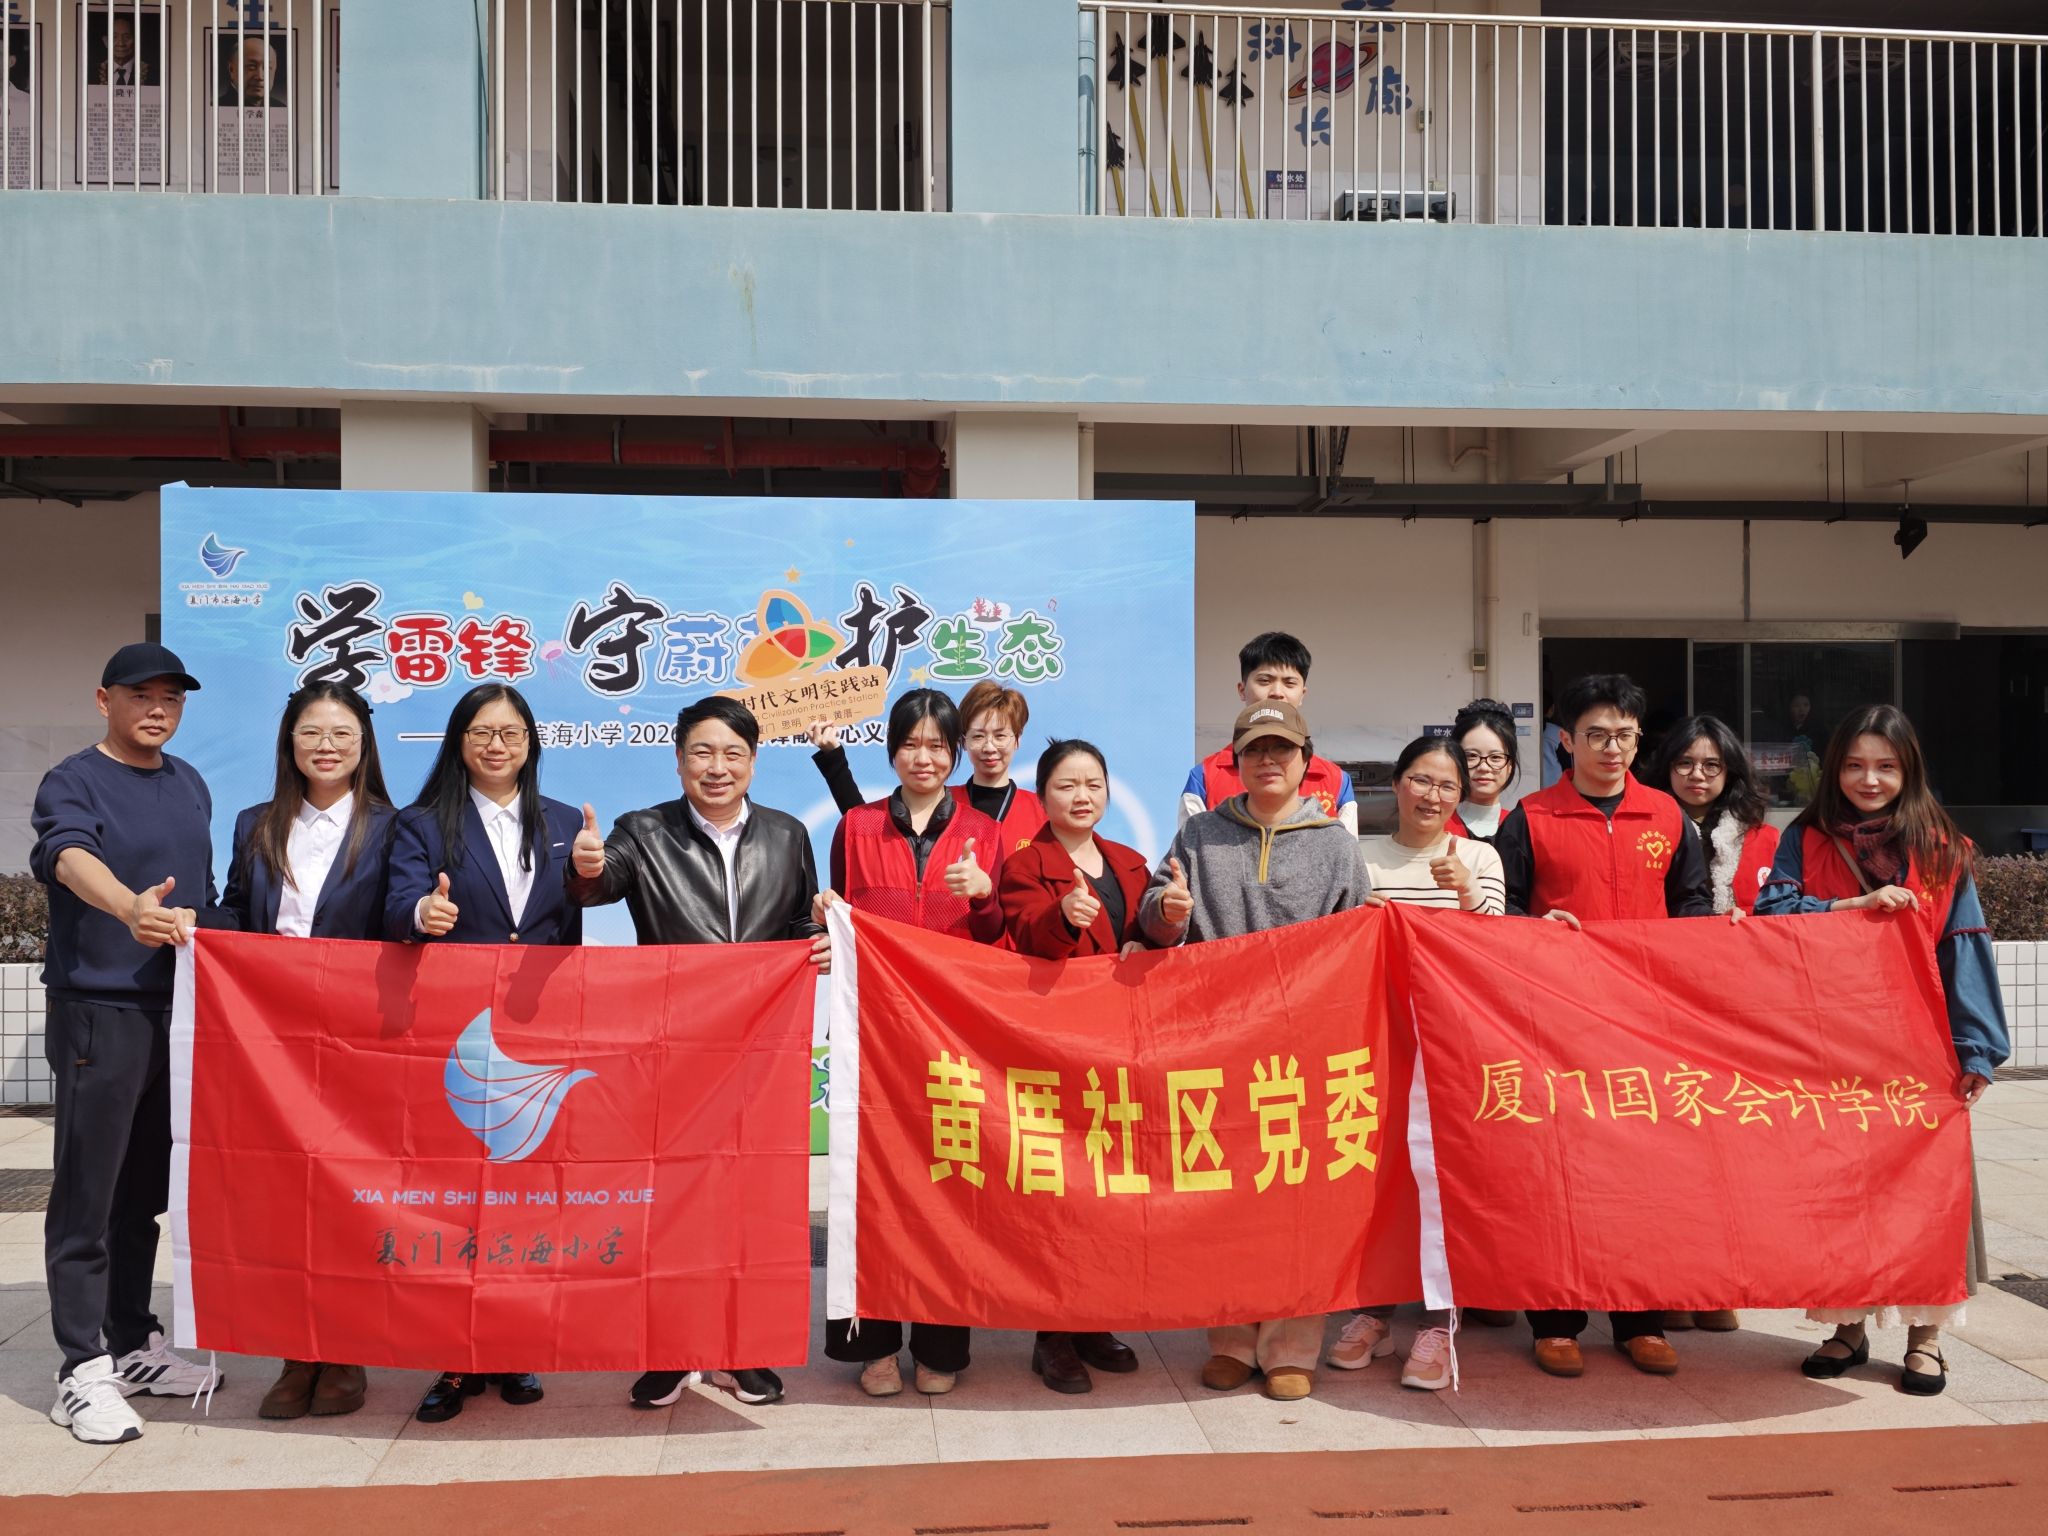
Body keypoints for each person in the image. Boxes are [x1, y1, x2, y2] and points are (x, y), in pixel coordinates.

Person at [567, 695, 829, 1411]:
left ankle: (742, 1351)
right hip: (674, 1050)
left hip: (761, 1052)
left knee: (751, 1206)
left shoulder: (787, 834)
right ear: (679, 759)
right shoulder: (644, 830)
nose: (717, 767)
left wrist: (821, 940)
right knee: (672, 1204)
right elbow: (600, 882)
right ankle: (669, 1352)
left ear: (753, 762)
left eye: (732, 753)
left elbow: (800, 922)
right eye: (702, 753)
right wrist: (586, 867)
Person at [1757, 703, 2008, 1396]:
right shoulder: (1805, 838)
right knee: (1844, 1192)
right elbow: (1771, 918)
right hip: (1833, 1047)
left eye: (1886, 767)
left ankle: (1927, 1339)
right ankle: (1847, 1326)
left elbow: (1964, 949)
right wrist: (1843, 910)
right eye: (1855, 765)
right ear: (1834, 769)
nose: (1869, 779)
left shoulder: (1943, 849)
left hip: (1922, 1050)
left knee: (1931, 1194)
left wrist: (1976, 1049)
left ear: (1909, 771)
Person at [1141, 699, 1371, 1402]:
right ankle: (1232, 1341)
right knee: (1224, 1199)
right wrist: (1167, 915)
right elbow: (1155, 916)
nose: (1268, 761)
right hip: (1217, 1043)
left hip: (1305, 1051)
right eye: (1254, 750)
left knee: (1299, 1202)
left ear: (1307, 761)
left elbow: (1359, 940)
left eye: (1282, 749)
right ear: (1234, 762)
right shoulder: (1200, 834)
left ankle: (1291, 1347)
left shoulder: (1335, 845)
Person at [1492, 673, 1717, 1379]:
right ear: (1566, 741)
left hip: (1646, 1027)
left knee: (1642, 1175)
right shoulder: (1530, 818)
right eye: (1595, 735)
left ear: (1638, 739)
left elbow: (1693, 908)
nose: (1611, 748)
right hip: (1557, 1026)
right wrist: (1539, 930)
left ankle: (1638, 1319)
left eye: (1623, 735)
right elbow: (1502, 914)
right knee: (1558, 1173)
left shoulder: (1668, 817)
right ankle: (1555, 1322)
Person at [30, 643, 223, 1445]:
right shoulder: (74, 779)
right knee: (89, 1197)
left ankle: (133, 1342)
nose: (157, 709)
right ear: (103, 699)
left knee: (142, 1194)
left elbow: (206, 897)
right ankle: (80, 1370)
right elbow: (66, 856)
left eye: (171, 698)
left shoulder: (190, 782)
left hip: (174, 1016)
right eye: (141, 695)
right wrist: (126, 907)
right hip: (99, 1013)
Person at [384, 683, 583, 1423]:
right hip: (457, 1033)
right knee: (455, 1199)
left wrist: (593, 874)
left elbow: (573, 922)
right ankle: (454, 1356)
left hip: (540, 1030)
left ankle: (514, 1345)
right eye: (481, 732)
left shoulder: (564, 822)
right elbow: (394, 905)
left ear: (531, 743)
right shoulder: (422, 822)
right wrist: (422, 912)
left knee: (525, 1198)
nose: (496, 746)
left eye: (510, 733)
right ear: (459, 742)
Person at [815, 689, 1005, 1396]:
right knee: (871, 1187)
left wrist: (984, 895)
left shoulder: (983, 831)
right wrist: (825, 915)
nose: (923, 758)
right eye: (910, 745)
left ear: (954, 753)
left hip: (953, 1033)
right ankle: (872, 1344)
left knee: (949, 1183)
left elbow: (996, 937)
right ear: (892, 750)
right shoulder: (858, 826)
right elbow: (842, 917)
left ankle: (940, 1347)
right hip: (875, 1033)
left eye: (937, 746)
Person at [221, 683, 396, 1420]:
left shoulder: (394, 827)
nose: (326, 746)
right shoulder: (255, 823)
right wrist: (192, 921)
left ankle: (346, 1350)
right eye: (311, 732)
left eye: (342, 733)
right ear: (289, 742)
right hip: (272, 1038)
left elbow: (398, 916)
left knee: (347, 1194)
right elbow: (238, 910)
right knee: (285, 1195)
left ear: (364, 745)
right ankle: (297, 1354)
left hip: (358, 1037)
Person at [1329, 736, 1507, 1390]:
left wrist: (1467, 895)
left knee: (1440, 1182)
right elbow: (1330, 944)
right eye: (1421, 781)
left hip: (1448, 1050)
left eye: (1447, 786)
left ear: (1461, 795)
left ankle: (1437, 1324)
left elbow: (1497, 952)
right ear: (1398, 785)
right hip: (1374, 1045)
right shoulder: (1358, 855)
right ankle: (1373, 1311)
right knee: (1376, 1180)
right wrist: (1354, 918)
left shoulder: (1478, 856)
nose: (1432, 796)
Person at [997, 738, 1150, 1394]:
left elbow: (1149, 936)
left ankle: (1094, 1319)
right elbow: (1027, 932)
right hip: (1055, 1046)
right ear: (1043, 797)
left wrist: (1165, 927)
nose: (1082, 796)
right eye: (1066, 785)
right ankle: (1052, 1335)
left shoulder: (1130, 862)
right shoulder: (1026, 863)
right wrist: (1061, 915)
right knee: (1058, 1191)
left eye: (1093, 784)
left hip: (1121, 1046)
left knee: (1110, 1188)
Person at [1638, 713, 1780, 1335]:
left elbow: (1787, 913)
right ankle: (1670, 1282)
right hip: (1660, 1008)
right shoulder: (1644, 824)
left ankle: (1718, 1282)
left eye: (1712, 766)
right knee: (1670, 1153)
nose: (1697, 776)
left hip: (1737, 1015)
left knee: (1730, 1154)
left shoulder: (1764, 838)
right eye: (1685, 764)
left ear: (1731, 772)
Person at [806, 680, 1046, 859]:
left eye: (1000, 736)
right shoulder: (939, 803)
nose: (989, 747)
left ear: (1017, 739)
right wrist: (833, 758)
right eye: (978, 736)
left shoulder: (1042, 810)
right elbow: (870, 827)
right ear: (961, 741)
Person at [1180, 632, 1357, 833]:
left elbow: (1346, 849)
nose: (1277, 693)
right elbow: (1191, 847)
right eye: (1264, 681)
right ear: (1241, 689)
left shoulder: (1336, 780)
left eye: (1289, 683)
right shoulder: (1204, 777)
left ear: (1302, 694)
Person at [1446, 698, 1519, 841]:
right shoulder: (1436, 826)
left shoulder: (1522, 827)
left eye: (1495, 757)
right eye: (1472, 756)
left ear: (1510, 766)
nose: (1484, 767)